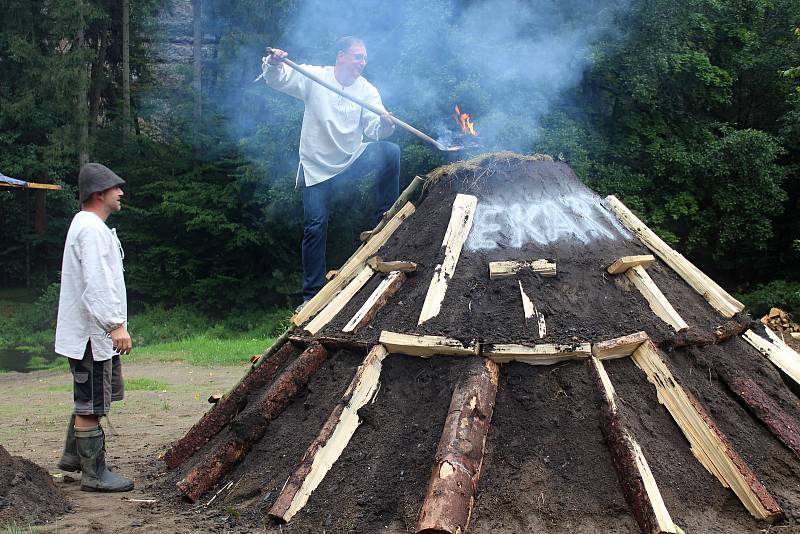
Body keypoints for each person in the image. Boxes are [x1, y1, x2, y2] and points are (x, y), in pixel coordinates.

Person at [260, 36, 400, 308]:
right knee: (315, 225)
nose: (363, 62)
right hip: (317, 166)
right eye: (358, 56)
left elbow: (374, 129)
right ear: (341, 56)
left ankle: (384, 217)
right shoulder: (315, 77)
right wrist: (274, 62)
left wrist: (385, 125)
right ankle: (312, 296)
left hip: (350, 160)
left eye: (364, 58)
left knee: (390, 150)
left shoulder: (367, 90)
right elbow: (280, 78)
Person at [54, 162, 134, 492]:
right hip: (93, 334)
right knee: (92, 402)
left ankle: (74, 458)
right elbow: (97, 283)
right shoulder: (90, 229)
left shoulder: (90, 226)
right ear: (99, 194)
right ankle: (94, 474)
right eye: (116, 188)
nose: (121, 192)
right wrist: (116, 325)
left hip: (93, 334)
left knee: (93, 397)